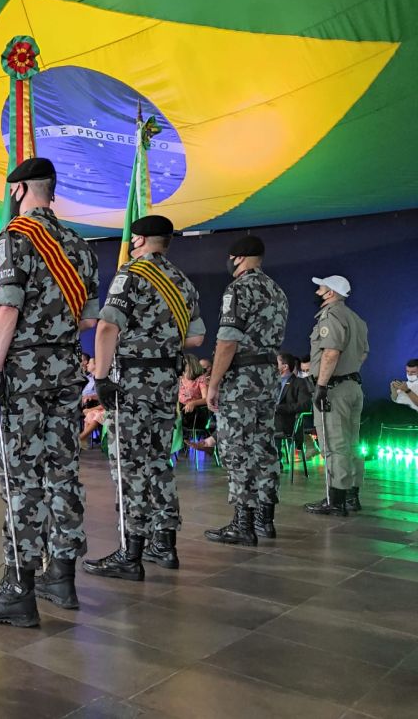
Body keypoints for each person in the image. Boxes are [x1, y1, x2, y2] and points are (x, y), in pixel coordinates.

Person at [0, 156, 98, 625]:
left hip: (22, 371)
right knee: (62, 471)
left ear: (18, 191)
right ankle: (61, 576)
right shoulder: (81, 247)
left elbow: (6, 308)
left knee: (20, 478)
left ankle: (19, 587)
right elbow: (88, 318)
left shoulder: (17, 238)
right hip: (65, 368)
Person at [83, 214, 204, 581]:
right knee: (157, 462)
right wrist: (160, 342)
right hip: (166, 381)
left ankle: (130, 552)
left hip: (133, 382)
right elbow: (196, 339)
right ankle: (164, 545)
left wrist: (101, 377)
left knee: (129, 465)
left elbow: (106, 326)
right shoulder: (182, 281)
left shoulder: (132, 274)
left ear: (137, 240)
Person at [204, 236, 289, 545]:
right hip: (267, 377)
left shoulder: (239, 289)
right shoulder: (276, 291)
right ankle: (265, 520)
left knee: (237, 449)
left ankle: (243, 525)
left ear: (237, 257)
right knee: (264, 448)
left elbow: (228, 341)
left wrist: (213, 383)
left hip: (241, 378)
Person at [304, 275, 369, 515]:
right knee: (352, 443)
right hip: (353, 386)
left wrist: (321, 385)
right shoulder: (357, 319)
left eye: (320, 288)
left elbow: (331, 352)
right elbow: (363, 354)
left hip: (334, 389)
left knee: (334, 444)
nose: (318, 292)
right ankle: (352, 495)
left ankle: (336, 499)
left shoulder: (331, 316)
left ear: (330, 293)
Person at [275, 352, 313, 436]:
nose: (273, 365)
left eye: (276, 363)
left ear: (285, 367)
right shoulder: (272, 383)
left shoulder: (299, 383)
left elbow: (305, 405)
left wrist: (279, 408)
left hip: (286, 423)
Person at [178, 353, 209, 432]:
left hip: (195, 411)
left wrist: (193, 403)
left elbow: (206, 399)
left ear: (190, 365)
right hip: (179, 410)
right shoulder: (179, 378)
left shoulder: (200, 379)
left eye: (184, 363)